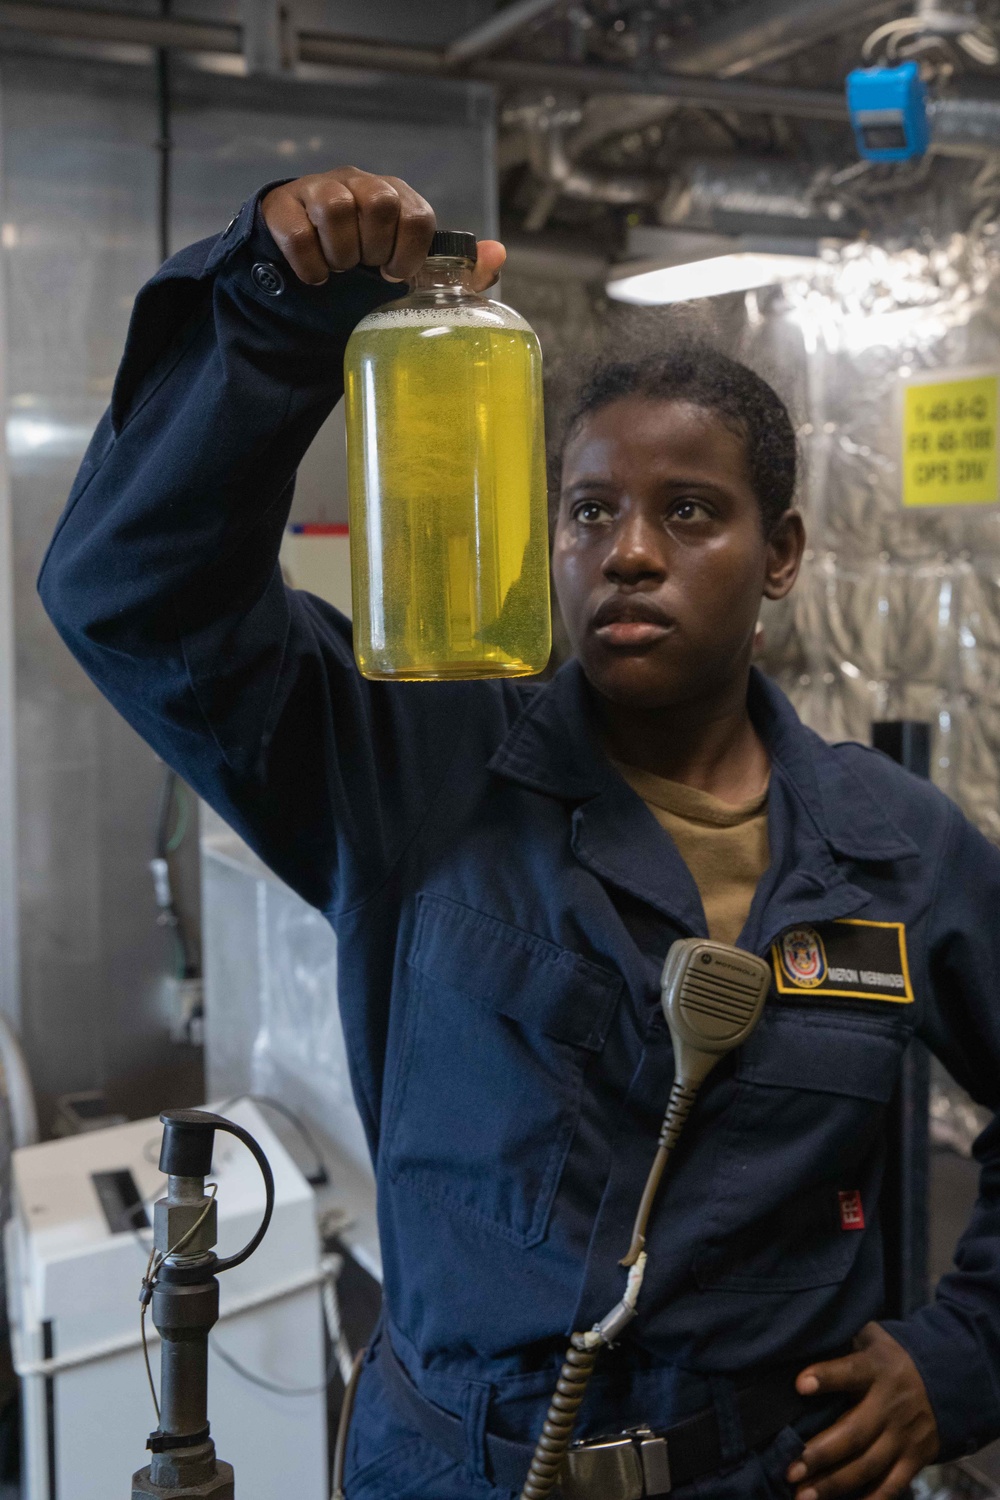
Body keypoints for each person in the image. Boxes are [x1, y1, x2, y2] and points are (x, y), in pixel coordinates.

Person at [39, 167, 1000, 1500]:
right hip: (458, 1468)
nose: (631, 554)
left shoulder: (897, 848)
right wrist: (274, 314)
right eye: (592, 511)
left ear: (780, 553)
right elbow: (132, 596)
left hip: (773, 1473)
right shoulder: (417, 773)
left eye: (692, 513)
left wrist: (959, 1361)